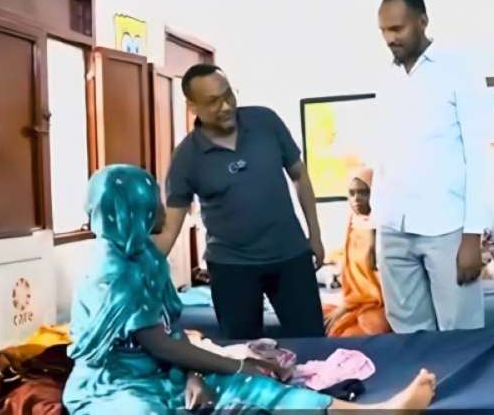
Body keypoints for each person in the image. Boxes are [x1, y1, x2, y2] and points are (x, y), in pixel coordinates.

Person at [64, 164, 438, 414]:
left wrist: (195, 375)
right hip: (114, 385)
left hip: (160, 373)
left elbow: (172, 334)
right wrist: (235, 363)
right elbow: (161, 345)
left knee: (254, 388)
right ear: (131, 210)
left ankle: (381, 412)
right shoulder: (112, 272)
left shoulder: (145, 257)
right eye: (153, 201)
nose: (163, 210)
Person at [154, 64, 325, 340]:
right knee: (242, 351)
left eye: (228, 95)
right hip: (232, 269)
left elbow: (300, 176)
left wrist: (315, 235)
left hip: (291, 258)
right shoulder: (186, 158)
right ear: (192, 106)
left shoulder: (265, 122)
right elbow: (170, 231)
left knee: (313, 343)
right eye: (213, 101)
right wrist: (130, 266)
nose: (225, 106)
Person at [371, 0, 489, 333]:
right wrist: (376, 226)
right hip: (394, 228)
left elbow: (479, 156)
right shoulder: (386, 79)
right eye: (384, 31)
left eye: (397, 28)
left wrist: (473, 235)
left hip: (446, 227)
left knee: (461, 333)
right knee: (407, 334)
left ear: (422, 21)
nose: (390, 39)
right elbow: (383, 155)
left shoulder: (458, 71)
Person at [324, 167, 391, 337]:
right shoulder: (353, 223)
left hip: (378, 304)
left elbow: (380, 286)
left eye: (363, 192)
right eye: (351, 193)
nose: (356, 199)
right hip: (352, 301)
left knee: (358, 332)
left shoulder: (384, 227)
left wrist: (348, 305)